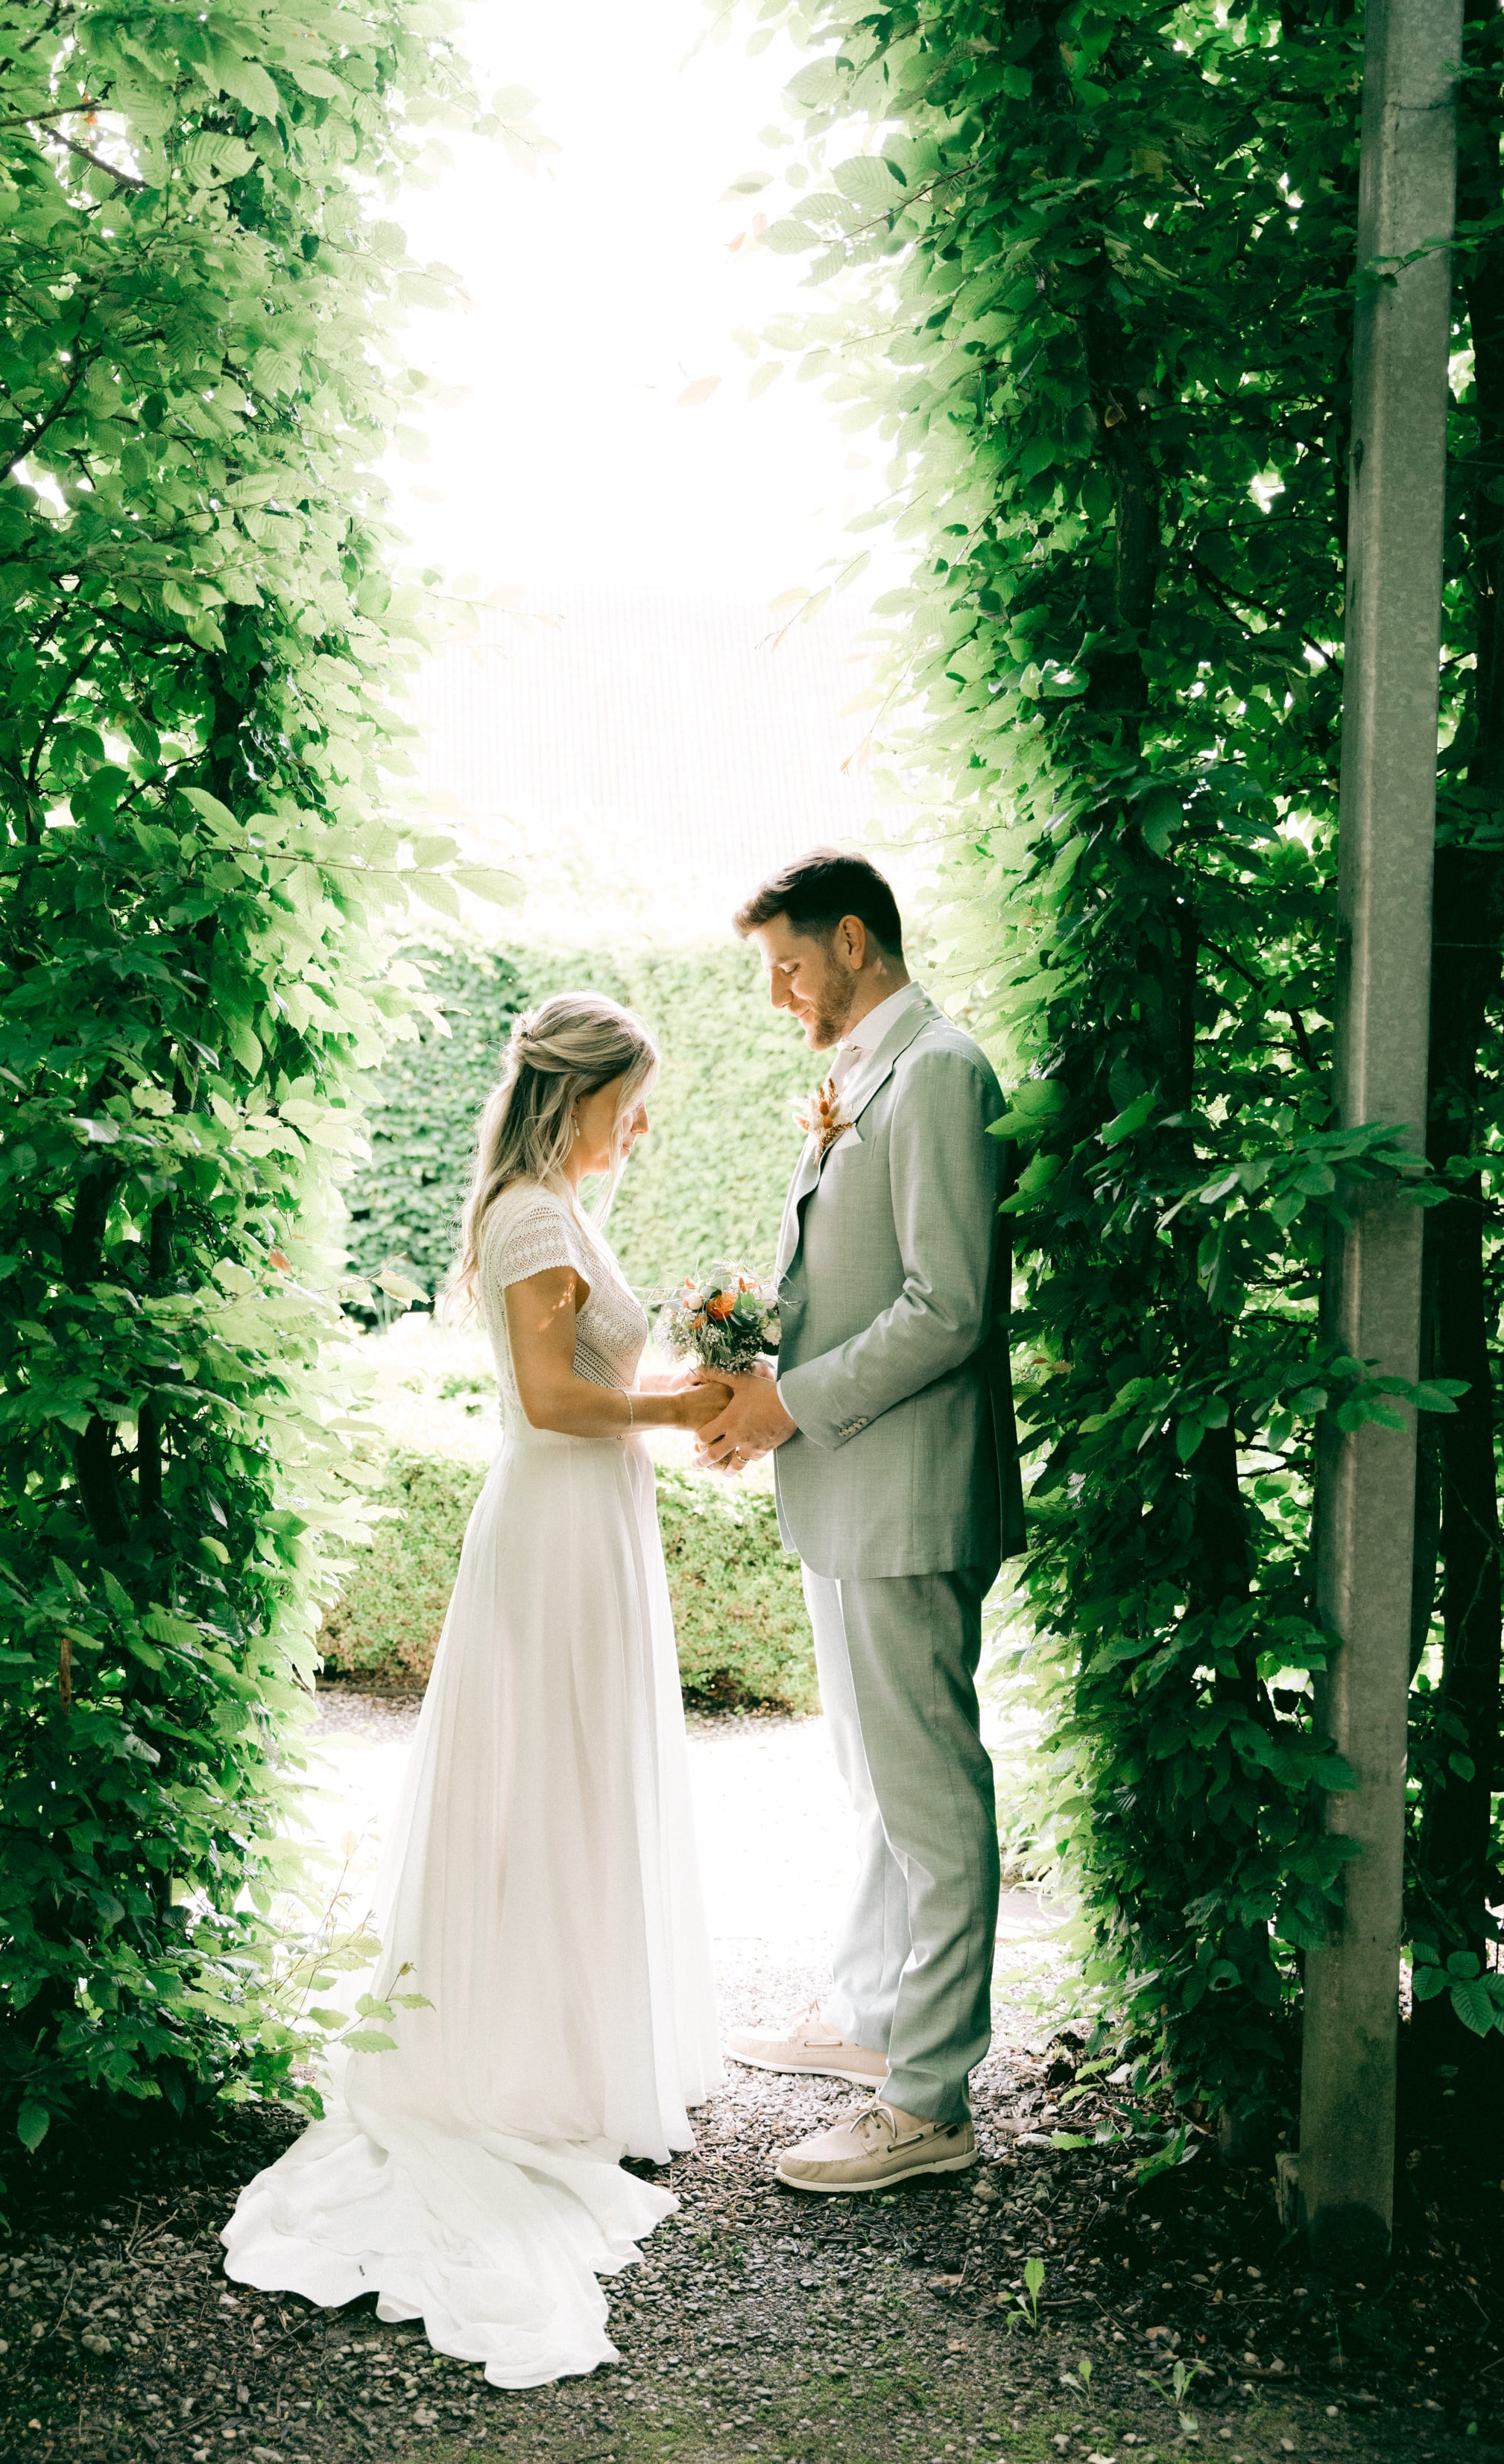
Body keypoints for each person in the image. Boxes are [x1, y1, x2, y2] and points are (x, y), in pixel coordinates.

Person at [221, 995, 728, 2386]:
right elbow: (553, 1401)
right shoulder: (527, 1218)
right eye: (635, 1097)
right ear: (580, 1095)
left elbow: (587, 1376)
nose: (646, 1122)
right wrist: (678, 1409)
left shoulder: (560, 1209)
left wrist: (692, 1384)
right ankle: (522, 2065)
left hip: (593, 1524)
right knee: (541, 1782)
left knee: (578, 1780)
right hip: (557, 1525)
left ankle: (566, 2042)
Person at [697, 849, 1025, 2194]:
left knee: (931, 1801)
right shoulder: (863, 1076)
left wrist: (788, 1405)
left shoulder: (937, 1072)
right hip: (850, 1489)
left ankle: (929, 2099)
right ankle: (871, 2016)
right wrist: (751, 1355)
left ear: (851, 940)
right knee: (872, 1786)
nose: (779, 993)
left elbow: (951, 1308)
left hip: (904, 1491)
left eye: (787, 964)